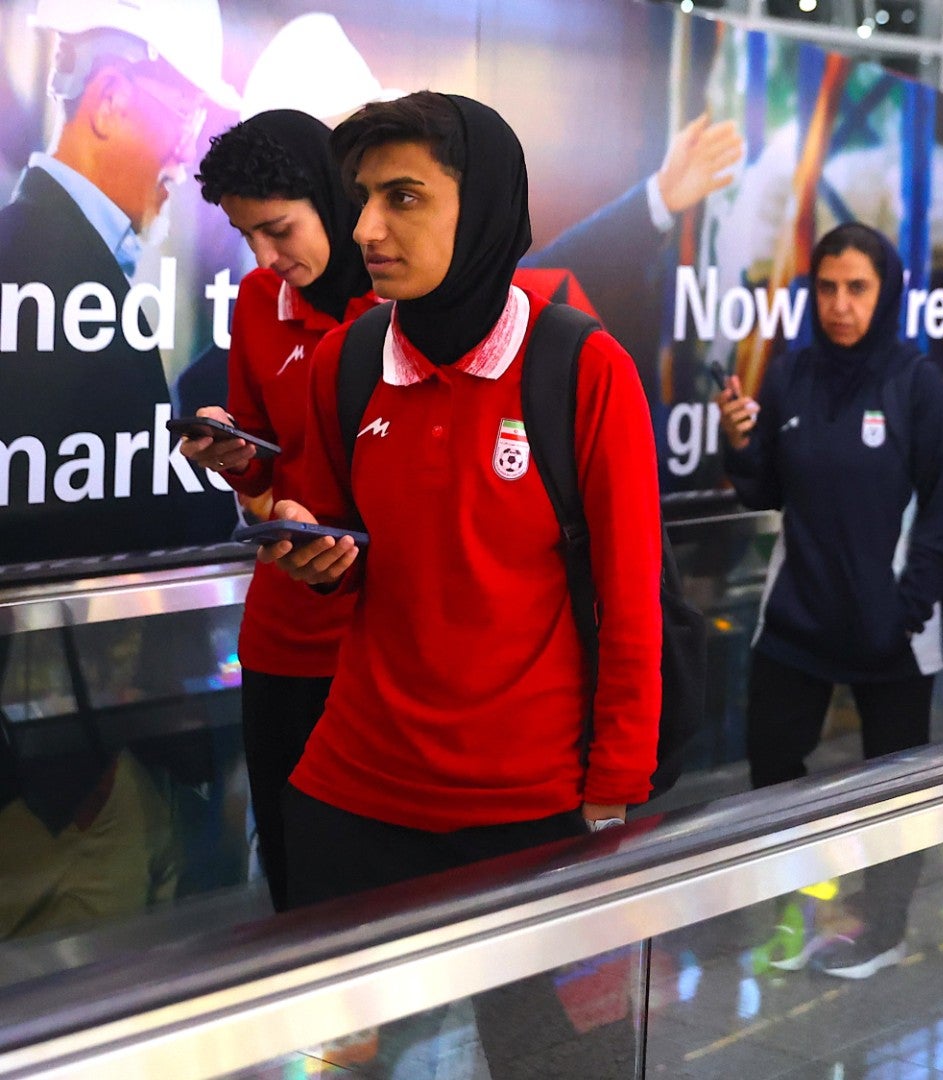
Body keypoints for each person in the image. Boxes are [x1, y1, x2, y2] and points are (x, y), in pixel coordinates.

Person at [258, 93, 661, 1077]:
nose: (367, 228)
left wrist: (612, 801)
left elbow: (630, 605)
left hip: (533, 812)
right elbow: (333, 540)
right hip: (353, 796)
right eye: (362, 198)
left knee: (559, 1067)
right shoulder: (349, 361)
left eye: (403, 197)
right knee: (335, 1062)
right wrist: (309, 552)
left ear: (479, 208)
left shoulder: (582, 369)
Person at [715, 222, 943, 979]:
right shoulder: (791, 375)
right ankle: (797, 914)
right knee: (772, 766)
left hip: (891, 627)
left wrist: (906, 610)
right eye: (826, 288)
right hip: (797, 615)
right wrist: (740, 444)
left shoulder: (917, 384)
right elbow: (766, 489)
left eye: (857, 288)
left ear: (885, 293)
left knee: (894, 790)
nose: (839, 305)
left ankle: (884, 928)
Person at [172, 110, 378, 911]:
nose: (264, 258)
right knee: (293, 877)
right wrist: (232, 452)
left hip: (380, 638)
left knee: (377, 891)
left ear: (332, 196)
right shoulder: (260, 300)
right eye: (246, 236)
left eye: (279, 230)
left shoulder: (403, 303)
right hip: (285, 633)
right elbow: (264, 467)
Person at [0, 0, 241, 563]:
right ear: (110, 102)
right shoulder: (64, 274)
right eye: (186, 118)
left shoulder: (46, 250)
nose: (187, 156)